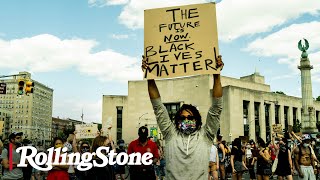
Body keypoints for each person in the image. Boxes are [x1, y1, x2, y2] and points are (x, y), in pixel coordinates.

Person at [142, 51, 224, 180]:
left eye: (190, 118)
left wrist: (217, 75)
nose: (186, 120)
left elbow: (216, 108)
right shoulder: (170, 134)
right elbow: (158, 106)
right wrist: (149, 76)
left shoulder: (205, 136)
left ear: (197, 120)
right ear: (177, 120)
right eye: (183, 118)